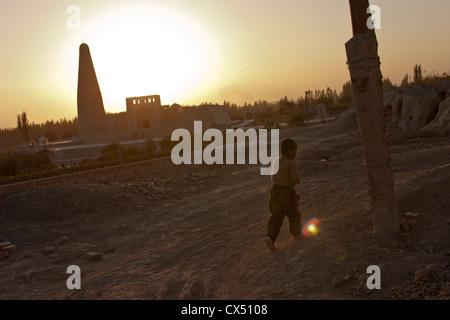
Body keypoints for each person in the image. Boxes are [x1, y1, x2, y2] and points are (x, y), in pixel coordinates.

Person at [264, 138, 301, 250]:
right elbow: (294, 179)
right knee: (294, 213)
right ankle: (297, 234)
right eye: (294, 151)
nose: (295, 154)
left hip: (274, 192)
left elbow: (273, 177)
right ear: (289, 151)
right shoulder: (291, 164)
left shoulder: (275, 161)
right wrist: (292, 188)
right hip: (285, 191)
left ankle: (269, 237)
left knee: (275, 216)